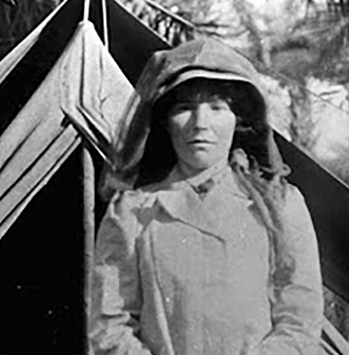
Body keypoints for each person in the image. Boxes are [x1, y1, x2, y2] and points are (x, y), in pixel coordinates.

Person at [89, 38, 324, 355]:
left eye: (216, 108)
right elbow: (108, 324)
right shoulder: (132, 211)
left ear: (238, 120)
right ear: (165, 123)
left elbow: (300, 320)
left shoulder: (280, 205)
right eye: (185, 109)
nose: (200, 124)